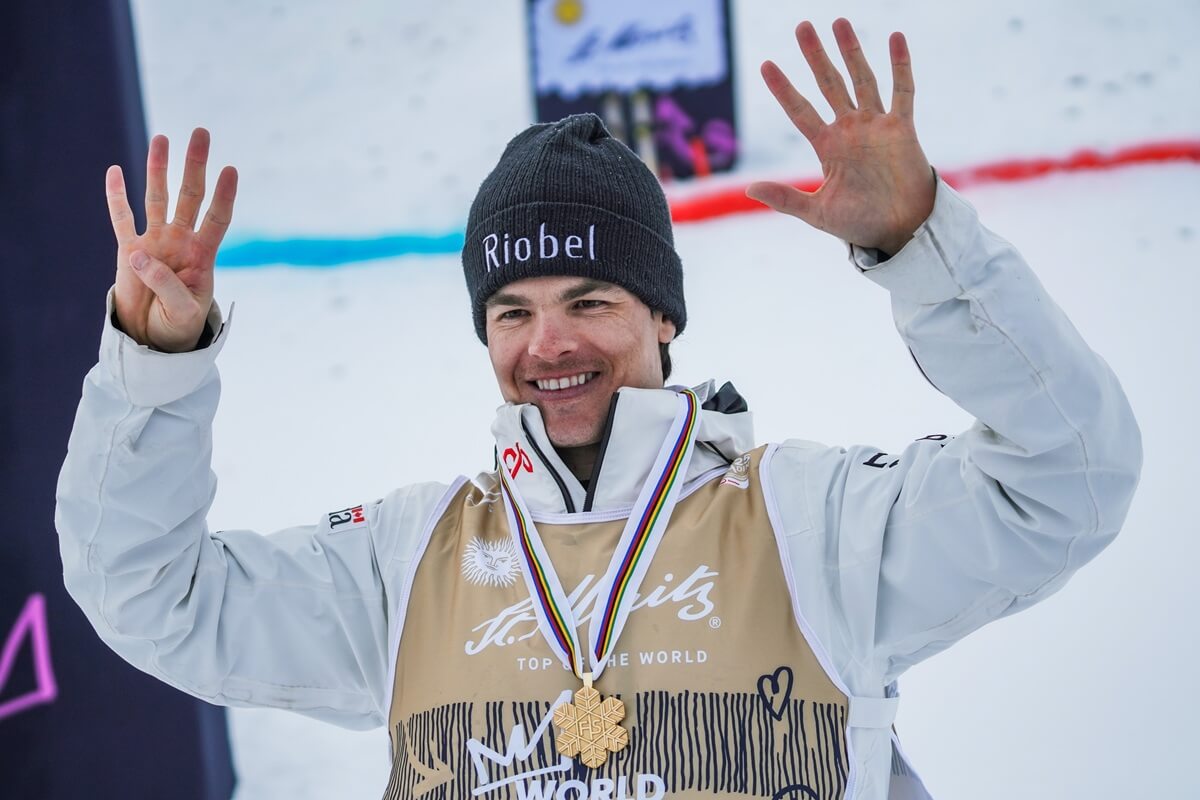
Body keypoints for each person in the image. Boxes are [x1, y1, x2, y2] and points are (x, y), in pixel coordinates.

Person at [56, 18, 1140, 800]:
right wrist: (156, 365)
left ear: (663, 316)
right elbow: (149, 594)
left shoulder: (815, 525)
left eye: (589, 301)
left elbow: (1069, 474)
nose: (550, 345)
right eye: (512, 312)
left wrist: (923, 247)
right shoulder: (406, 562)